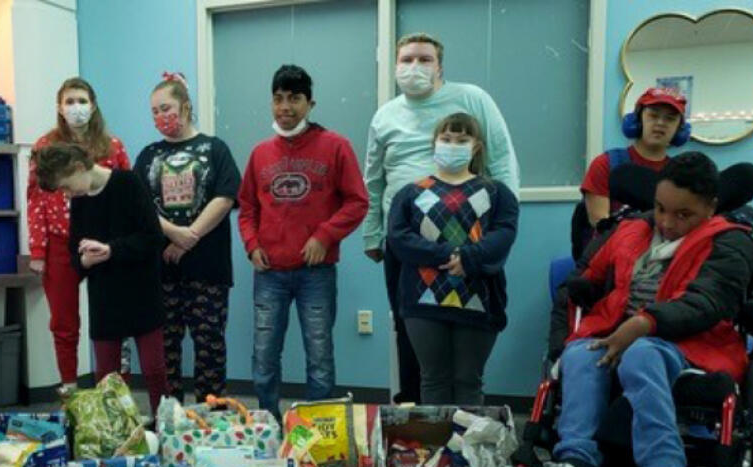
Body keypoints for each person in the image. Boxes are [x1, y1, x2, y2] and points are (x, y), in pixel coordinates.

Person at [499, 152, 753, 467]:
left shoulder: (730, 241)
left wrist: (643, 323)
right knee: (581, 353)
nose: (667, 223)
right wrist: (583, 302)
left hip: (690, 346)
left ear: (711, 207)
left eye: (683, 214)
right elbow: (586, 276)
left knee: (642, 352)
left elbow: (708, 302)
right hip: (619, 332)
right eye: (660, 208)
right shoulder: (629, 230)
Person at [363, 32, 520, 404]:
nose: (413, 67)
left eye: (424, 59)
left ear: (440, 66)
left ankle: (464, 419)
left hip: (472, 238)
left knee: (469, 331)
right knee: (412, 326)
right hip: (409, 242)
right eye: (406, 60)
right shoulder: (385, 115)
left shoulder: (471, 99)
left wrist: (501, 228)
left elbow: (501, 157)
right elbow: (373, 178)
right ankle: (417, 416)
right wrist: (373, 234)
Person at [238, 64, 369, 420]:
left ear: (311, 103)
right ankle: (268, 423)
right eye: (278, 99)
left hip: (316, 273)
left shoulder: (336, 146)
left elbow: (358, 201)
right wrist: (251, 245)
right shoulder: (260, 153)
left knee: (320, 357)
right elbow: (246, 207)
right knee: (264, 356)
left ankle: (317, 427)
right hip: (269, 274)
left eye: (294, 98)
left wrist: (325, 236)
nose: (285, 107)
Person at [387, 112, 518, 406]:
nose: (452, 144)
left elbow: (502, 236)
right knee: (432, 380)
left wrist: (470, 258)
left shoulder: (497, 193)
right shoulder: (409, 194)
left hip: (478, 301)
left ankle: (467, 450)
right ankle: (438, 451)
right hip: (423, 303)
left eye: (462, 139)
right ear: (434, 143)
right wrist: (448, 255)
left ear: (476, 147)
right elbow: (398, 238)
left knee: (468, 381)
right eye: (446, 139)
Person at [34, 143, 169, 414]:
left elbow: (153, 237)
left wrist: (112, 250)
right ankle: (112, 432)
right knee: (106, 377)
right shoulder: (81, 199)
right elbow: (75, 255)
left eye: (66, 186)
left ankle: (164, 425)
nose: (67, 194)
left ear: (78, 167)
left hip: (142, 290)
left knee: (154, 369)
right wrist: (84, 261)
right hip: (104, 296)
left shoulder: (127, 182)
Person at [134, 72, 241, 401]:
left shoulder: (214, 148)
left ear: (185, 107)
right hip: (162, 272)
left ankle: (211, 420)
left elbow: (225, 196)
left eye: (165, 107)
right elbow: (139, 206)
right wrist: (175, 234)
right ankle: (171, 419)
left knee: (209, 347)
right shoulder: (149, 155)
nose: (160, 116)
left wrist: (191, 236)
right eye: (153, 111)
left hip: (208, 271)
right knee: (165, 352)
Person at [28, 78, 134, 396]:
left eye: (82, 100)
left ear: (94, 104)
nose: (76, 107)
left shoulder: (111, 146)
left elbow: (126, 192)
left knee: (115, 317)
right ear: (59, 107)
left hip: (105, 242)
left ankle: (118, 391)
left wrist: (123, 243)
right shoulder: (44, 147)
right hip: (60, 243)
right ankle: (70, 390)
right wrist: (37, 250)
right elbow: (35, 199)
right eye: (69, 101)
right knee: (63, 323)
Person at [573, 87, 689, 259]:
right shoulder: (606, 164)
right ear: (638, 120)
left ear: (679, 130)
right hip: (611, 258)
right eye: (653, 115)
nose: (660, 123)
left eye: (670, 119)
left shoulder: (680, 173)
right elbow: (600, 225)